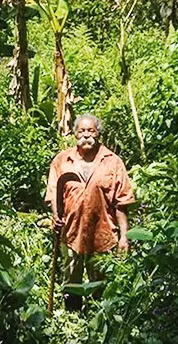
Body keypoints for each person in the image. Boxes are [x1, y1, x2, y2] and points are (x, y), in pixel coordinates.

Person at [45, 113, 135, 311]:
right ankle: (72, 316)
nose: (86, 135)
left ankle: (98, 317)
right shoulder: (62, 161)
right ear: (75, 134)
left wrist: (124, 237)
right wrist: (56, 215)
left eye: (91, 131)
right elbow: (53, 193)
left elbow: (122, 202)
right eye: (82, 131)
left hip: (103, 233)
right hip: (70, 232)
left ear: (98, 133)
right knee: (71, 278)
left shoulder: (113, 162)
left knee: (101, 281)